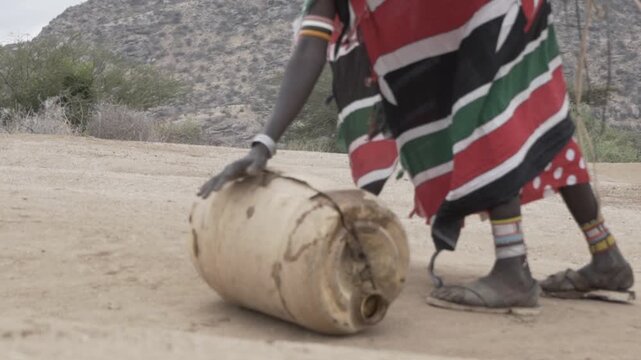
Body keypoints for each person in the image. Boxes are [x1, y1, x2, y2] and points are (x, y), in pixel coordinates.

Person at [198, 0, 633, 312]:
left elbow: (316, 45)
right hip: (497, 17)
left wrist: (266, 142)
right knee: (537, 115)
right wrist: (264, 142)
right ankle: (606, 256)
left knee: (484, 118)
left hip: (487, 15)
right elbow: (312, 43)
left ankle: (512, 270)